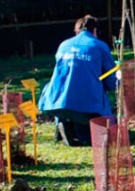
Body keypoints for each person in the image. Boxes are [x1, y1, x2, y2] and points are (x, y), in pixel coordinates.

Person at [39, 15, 118, 146]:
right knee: (97, 106)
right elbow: (111, 81)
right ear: (95, 31)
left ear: (77, 31)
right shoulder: (99, 46)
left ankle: (63, 124)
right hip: (89, 106)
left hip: (56, 101)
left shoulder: (63, 45)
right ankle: (83, 130)